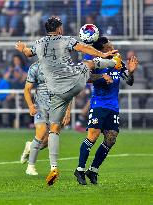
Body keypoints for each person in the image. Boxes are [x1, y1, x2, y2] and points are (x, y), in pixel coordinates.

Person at [15, 17, 122, 185]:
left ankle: (54, 167)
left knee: (54, 130)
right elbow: (84, 47)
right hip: (73, 81)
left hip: (55, 91)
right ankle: (113, 63)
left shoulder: (39, 43)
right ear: (59, 29)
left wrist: (22, 48)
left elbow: (28, 53)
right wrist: (103, 54)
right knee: (90, 63)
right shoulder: (65, 40)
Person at [74, 37, 139, 185]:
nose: (112, 48)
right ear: (102, 50)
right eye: (109, 47)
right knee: (93, 135)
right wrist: (101, 77)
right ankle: (79, 169)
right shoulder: (95, 61)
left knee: (111, 138)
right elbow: (83, 77)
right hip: (98, 104)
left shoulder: (118, 62)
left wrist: (132, 72)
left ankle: (93, 170)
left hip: (113, 106)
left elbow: (129, 81)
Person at [20, 62, 71, 177]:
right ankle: (31, 167)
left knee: (47, 141)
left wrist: (68, 111)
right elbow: (27, 89)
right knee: (41, 131)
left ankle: (30, 146)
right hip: (40, 106)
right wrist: (30, 105)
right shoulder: (35, 67)